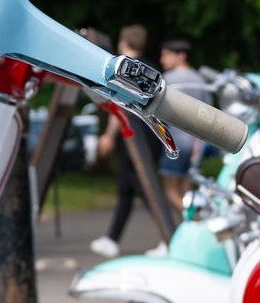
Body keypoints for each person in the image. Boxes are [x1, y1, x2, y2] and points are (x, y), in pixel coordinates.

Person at [91, 26, 166, 258]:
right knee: (127, 188)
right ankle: (112, 238)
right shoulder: (151, 68)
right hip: (151, 136)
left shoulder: (125, 71)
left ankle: (169, 237)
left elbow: (120, 105)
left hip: (134, 137)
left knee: (145, 189)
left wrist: (108, 136)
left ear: (123, 43)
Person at [154, 38, 212, 212]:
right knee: (186, 191)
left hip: (175, 141)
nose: (162, 59)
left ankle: (192, 222)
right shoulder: (199, 80)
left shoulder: (168, 79)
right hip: (197, 143)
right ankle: (189, 226)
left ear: (181, 56)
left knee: (170, 190)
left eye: (166, 54)